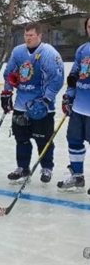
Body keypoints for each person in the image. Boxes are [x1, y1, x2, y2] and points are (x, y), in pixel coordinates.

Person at [2, 22, 64, 184]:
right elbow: (9, 72)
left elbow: (57, 78)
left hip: (42, 107)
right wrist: (7, 92)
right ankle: (23, 168)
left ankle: (47, 167)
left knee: (43, 139)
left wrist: (46, 99)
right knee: (21, 138)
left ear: (39, 35)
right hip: (21, 105)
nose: (27, 38)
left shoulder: (48, 53)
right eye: (26, 35)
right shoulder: (18, 51)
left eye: (31, 35)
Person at [58, 18, 90, 194]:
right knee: (74, 141)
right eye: (89, 26)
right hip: (79, 107)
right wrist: (68, 97)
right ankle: (77, 176)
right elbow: (73, 77)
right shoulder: (82, 50)